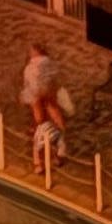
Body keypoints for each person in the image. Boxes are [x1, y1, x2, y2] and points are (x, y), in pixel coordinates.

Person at [19, 42, 70, 172]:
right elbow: (55, 79)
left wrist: (26, 97)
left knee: (40, 122)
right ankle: (59, 151)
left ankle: (39, 162)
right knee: (54, 117)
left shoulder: (30, 67)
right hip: (47, 89)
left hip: (36, 91)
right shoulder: (49, 63)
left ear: (34, 52)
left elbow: (28, 84)